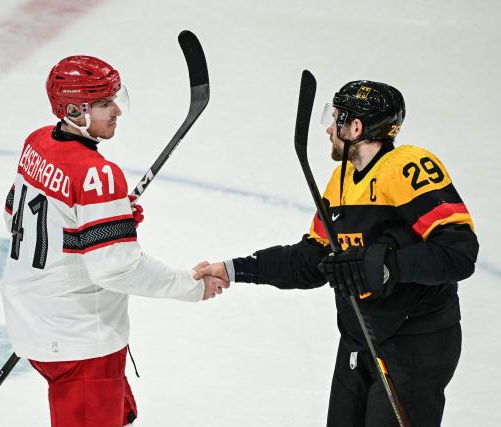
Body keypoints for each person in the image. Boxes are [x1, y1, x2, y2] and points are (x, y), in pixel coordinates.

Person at [196, 80, 479, 426]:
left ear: (356, 127)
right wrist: (235, 269)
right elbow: (312, 260)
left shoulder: (408, 168)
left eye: (336, 119)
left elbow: (459, 253)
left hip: (414, 345)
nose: (330, 128)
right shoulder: (341, 179)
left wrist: (385, 267)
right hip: (361, 337)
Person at [0, 55, 227, 427]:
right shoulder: (97, 175)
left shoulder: (37, 143)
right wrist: (190, 285)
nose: (117, 110)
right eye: (104, 103)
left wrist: (101, 218)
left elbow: (14, 217)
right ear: (74, 109)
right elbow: (117, 268)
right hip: (79, 341)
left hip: (34, 321)